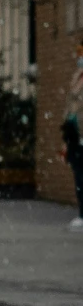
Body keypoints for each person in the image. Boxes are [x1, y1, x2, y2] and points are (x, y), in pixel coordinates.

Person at [61, 42, 83, 228]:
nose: (79, 56)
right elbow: (70, 107)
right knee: (79, 175)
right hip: (75, 134)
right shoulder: (77, 77)